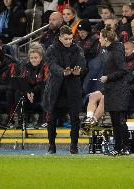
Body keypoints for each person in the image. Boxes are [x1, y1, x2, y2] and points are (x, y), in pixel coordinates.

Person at [42, 25, 86, 154]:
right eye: (66, 39)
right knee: (51, 119)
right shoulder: (51, 49)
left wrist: (79, 71)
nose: (69, 41)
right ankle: (51, 145)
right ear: (60, 38)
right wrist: (63, 72)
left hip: (73, 89)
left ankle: (74, 146)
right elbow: (52, 65)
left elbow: (82, 64)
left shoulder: (77, 49)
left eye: (70, 39)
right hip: (56, 89)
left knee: (75, 119)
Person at [98, 28, 130, 156]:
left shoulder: (116, 50)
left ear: (106, 38)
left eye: (100, 37)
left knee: (120, 121)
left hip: (119, 90)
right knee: (115, 121)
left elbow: (123, 70)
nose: (99, 39)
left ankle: (126, 147)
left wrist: (108, 77)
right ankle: (117, 147)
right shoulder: (110, 50)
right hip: (111, 90)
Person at [20, 42, 48, 128]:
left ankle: (44, 119)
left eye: (36, 57)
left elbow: (45, 82)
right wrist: (28, 92)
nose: (33, 60)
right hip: (31, 94)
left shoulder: (45, 66)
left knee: (46, 90)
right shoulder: (26, 66)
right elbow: (23, 81)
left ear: (41, 57)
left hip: (41, 93)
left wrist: (33, 91)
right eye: (31, 58)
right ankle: (23, 120)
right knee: (19, 91)